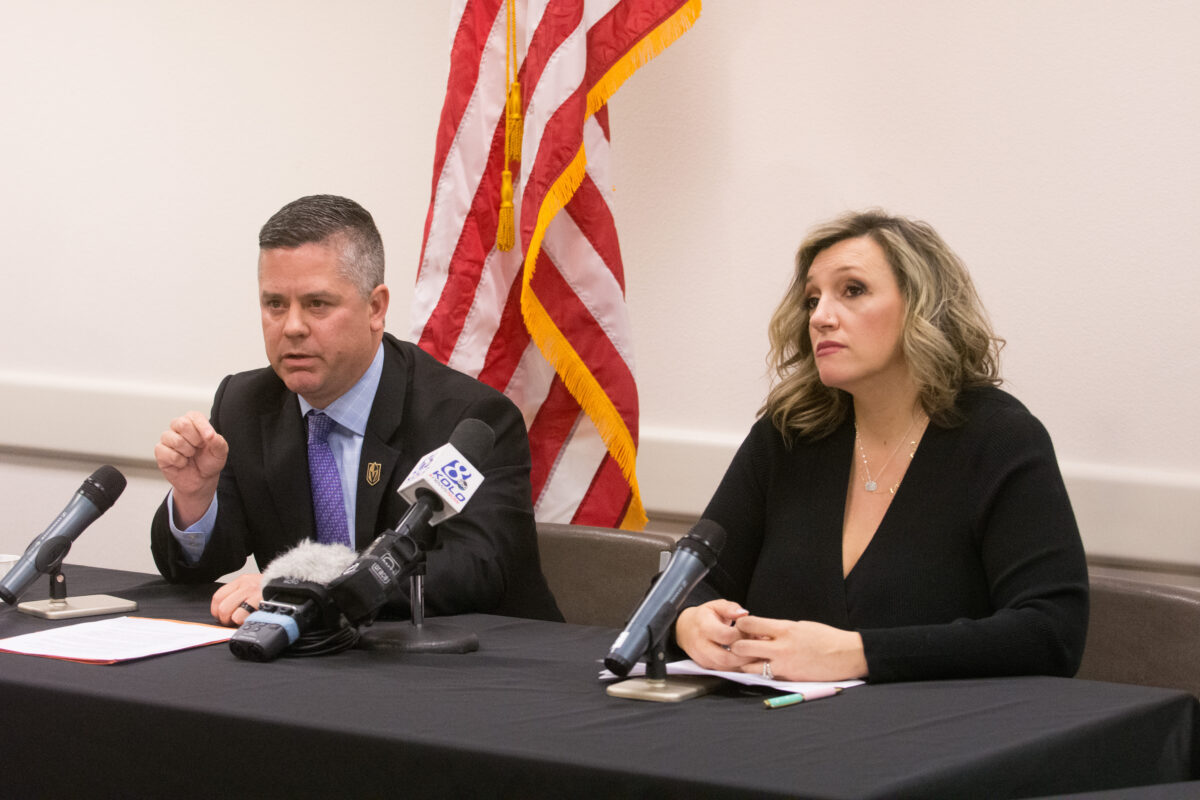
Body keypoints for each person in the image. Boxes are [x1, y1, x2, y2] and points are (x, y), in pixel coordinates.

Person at [674, 210, 1088, 683]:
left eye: (852, 290)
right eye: (812, 300)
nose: (822, 317)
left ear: (921, 306)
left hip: (935, 739)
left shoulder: (1000, 438)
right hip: (771, 730)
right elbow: (693, 580)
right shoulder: (789, 432)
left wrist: (859, 654)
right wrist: (688, 621)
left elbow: (1052, 632)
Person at [151, 194, 562, 626]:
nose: (292, 327)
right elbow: (193, 569)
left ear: (375, 308)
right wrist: (195, 499)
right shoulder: (245, 404)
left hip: (472, 668)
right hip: (316, 664)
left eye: (317, 304)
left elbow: (473, 572)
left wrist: (310, 587)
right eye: (275, 304)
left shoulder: (469, 418)